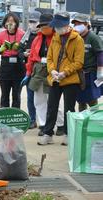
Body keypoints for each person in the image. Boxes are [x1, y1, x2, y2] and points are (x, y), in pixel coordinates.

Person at [38, 12, 84, 146]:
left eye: (58, 26)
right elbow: (50, 57)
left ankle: (68, 134)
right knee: (52, 106)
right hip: (55, 78)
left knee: (69, 108)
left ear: (66, 25)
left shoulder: (77, 39)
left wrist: (64, 72)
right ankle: (48, 134)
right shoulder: (56, 37)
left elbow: (78, 62)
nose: (56, 29)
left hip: (70, 79)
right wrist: (52, 70)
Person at [24, 13, 64, 136]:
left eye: (46, 25)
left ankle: (61, 125)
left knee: (54, 101)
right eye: (42, 25)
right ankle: (43, 125)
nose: (44, 27)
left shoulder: (59, 38)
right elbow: (31, 58)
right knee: (38, 100)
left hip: (55, 71)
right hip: (38, 71)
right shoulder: (37, 38)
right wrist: (28, 73)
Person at [71, 14, 103, 111]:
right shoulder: (76, 37)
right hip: (78, 73)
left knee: (92, 100)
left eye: (79, 23)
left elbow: (100, 54)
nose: (77, 26)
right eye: (75, 24)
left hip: (90, 73)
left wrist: (100, 71)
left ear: (86, 24)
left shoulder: (93, 37)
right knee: (81, 100)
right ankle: (82, 121)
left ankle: (95, 121)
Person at [0, 12, 25, 108]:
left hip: (18, 66)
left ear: (16, 23)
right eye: (8, 21)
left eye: (12, 21)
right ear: (4, 23)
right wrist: (2, 48)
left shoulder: (22, 33)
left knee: (16, 95)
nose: (10, 23)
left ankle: (15, 117)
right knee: (4, 95)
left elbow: (26, 49)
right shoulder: (1, 34)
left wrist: (19, 48)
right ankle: (4, 115)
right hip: (5, 65)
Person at [18, 11, 41, 129]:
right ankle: (32, 119)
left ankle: (44, 121)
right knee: (30, 96)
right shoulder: (26, 35)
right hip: (28, 70)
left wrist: (33, 55)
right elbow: (19, 51)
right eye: (30, 22)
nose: (32, 24)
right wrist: (24, 54)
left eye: (35, 22)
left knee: (42, 98)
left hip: (41, 71)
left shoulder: (43, 35)